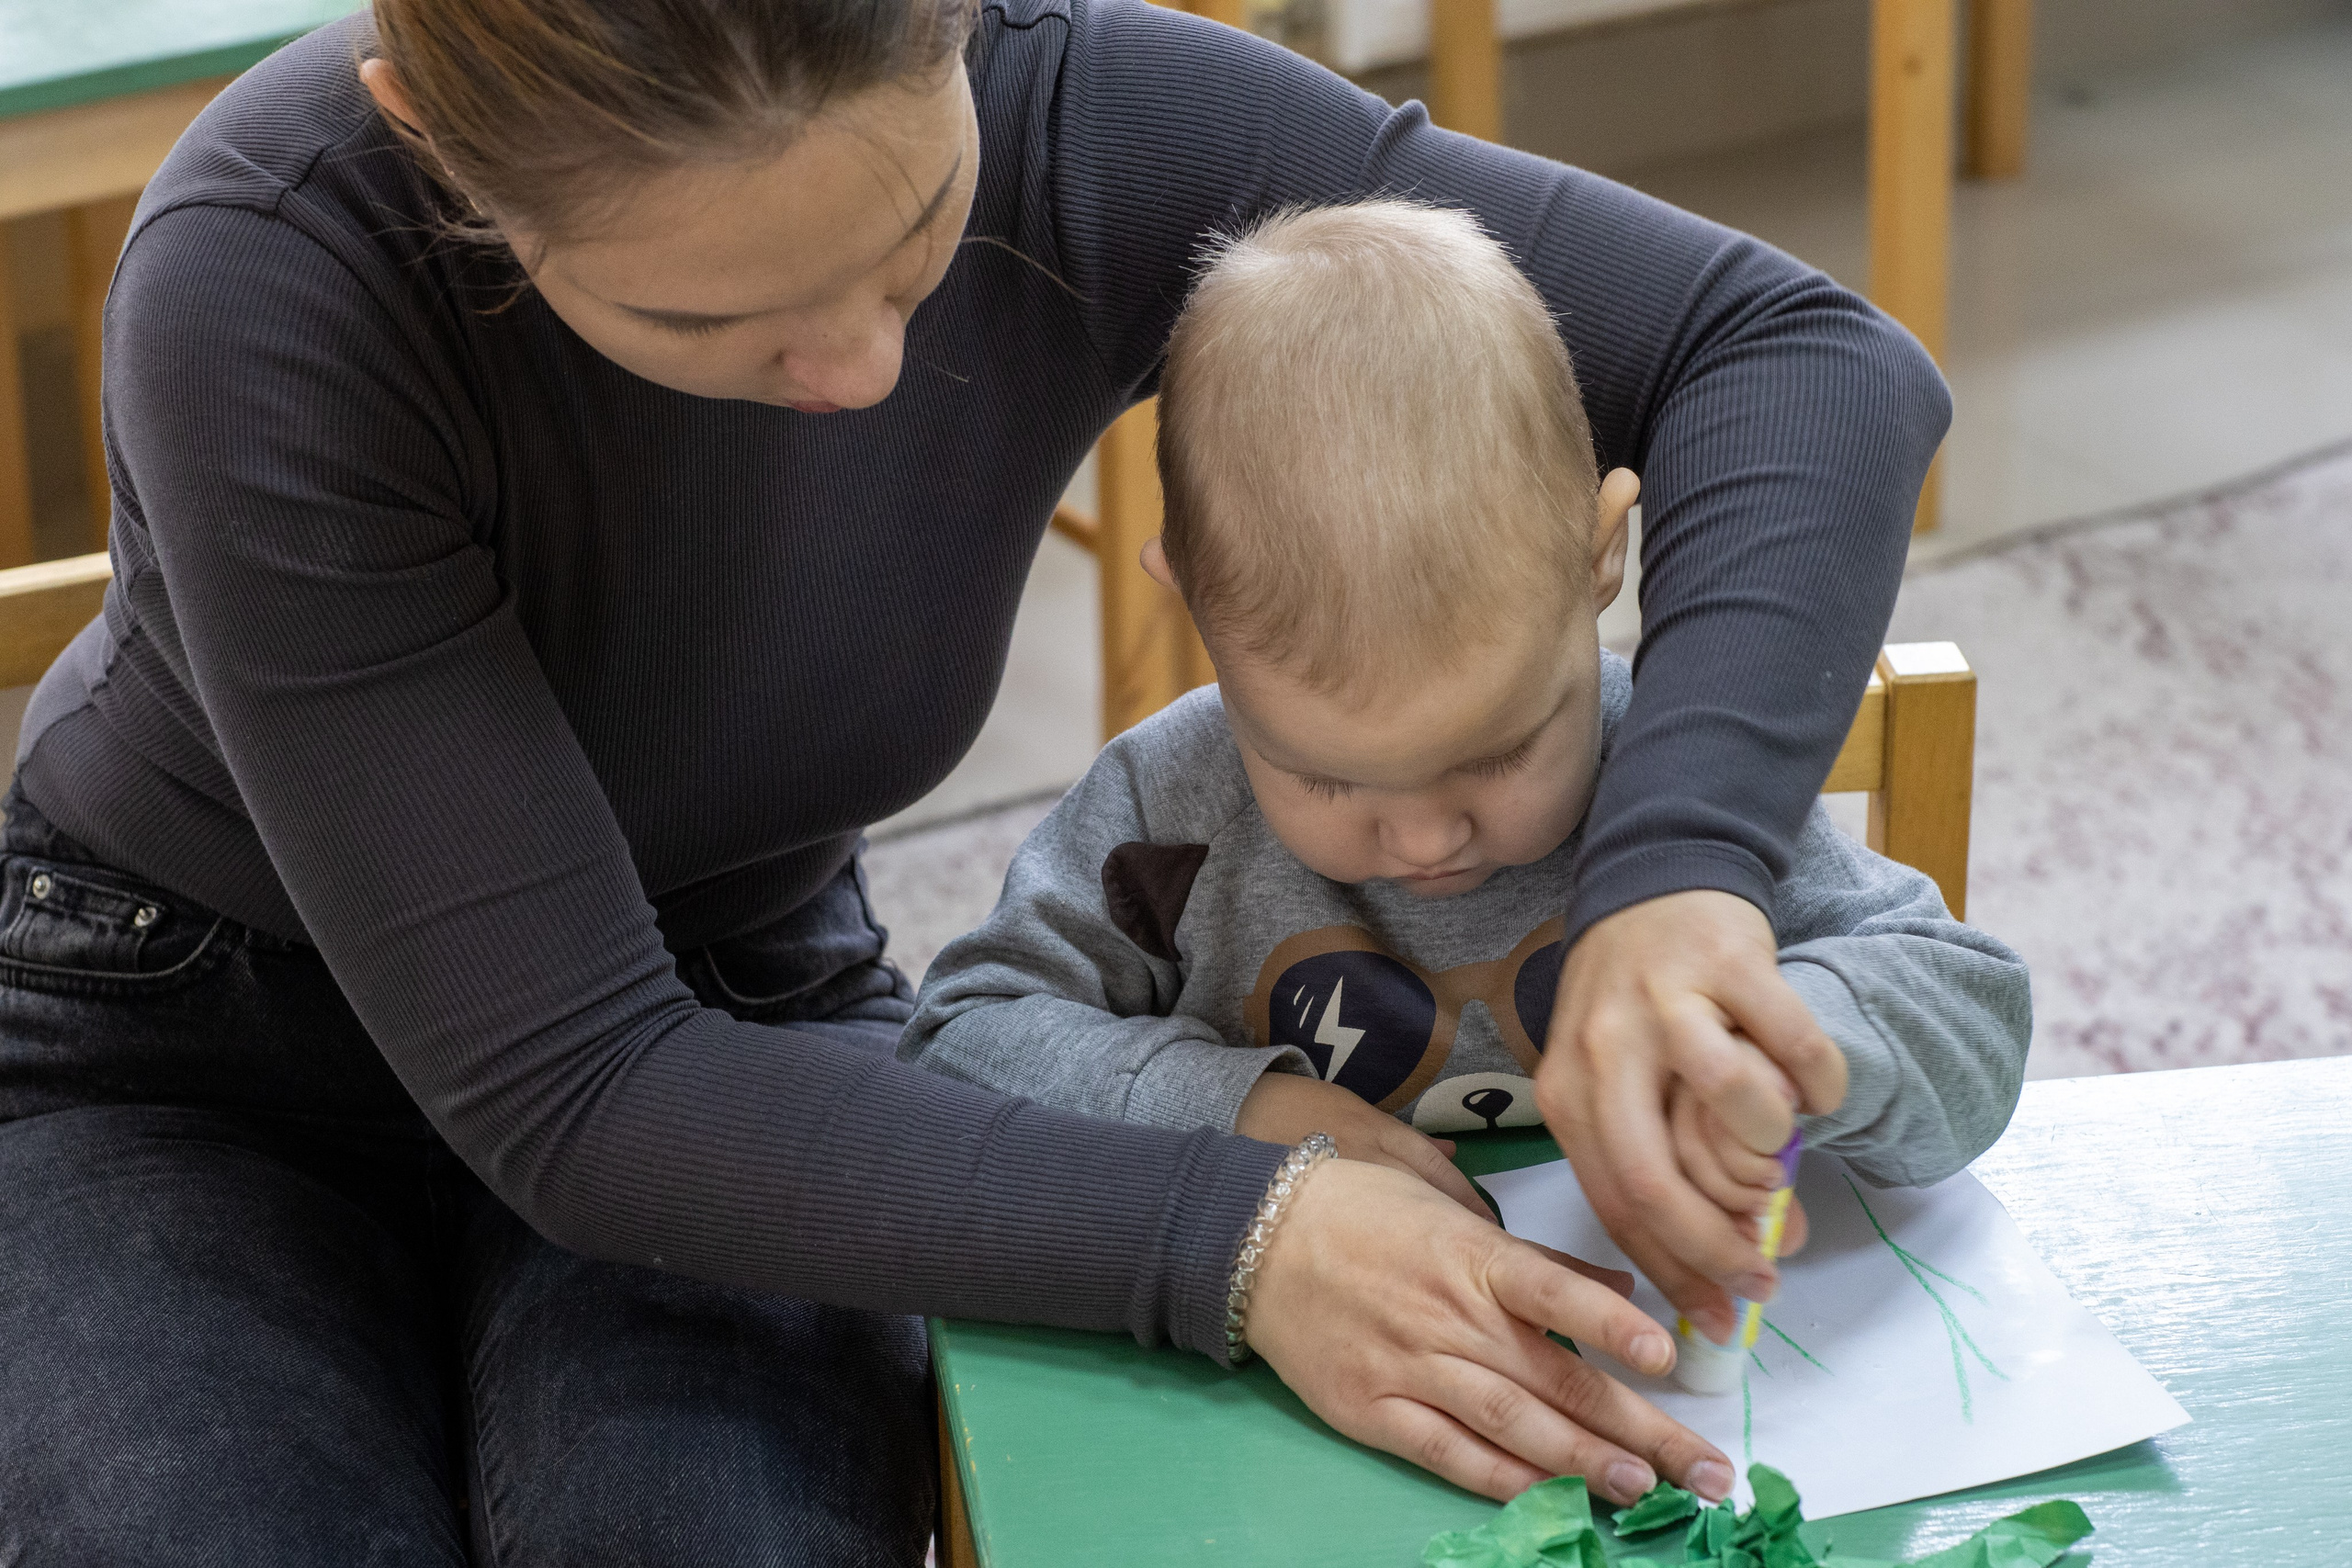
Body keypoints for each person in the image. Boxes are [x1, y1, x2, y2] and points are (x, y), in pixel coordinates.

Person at [0, 0, 1947, 1559]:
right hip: (189, 1051)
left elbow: (1791, 355)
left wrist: (1674, 867)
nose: (857, 371)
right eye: (706, 318)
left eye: (916, 237)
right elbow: (570, 1091)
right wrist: (1224, 1236)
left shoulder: (1079, 103)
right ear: (428, 129)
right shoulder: (268, 275)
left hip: (733, 1015)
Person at [903, 197, 2031, 1333]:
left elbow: (1975, 1026)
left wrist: (1793, 1047)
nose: (1431, 839)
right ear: (1194, 604)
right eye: (1328, 779)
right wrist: (1240, 1113)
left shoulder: (1676, 777)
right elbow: (959, 1046)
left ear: (1601, 560)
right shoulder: (1166, 804)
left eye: (1496, 752)